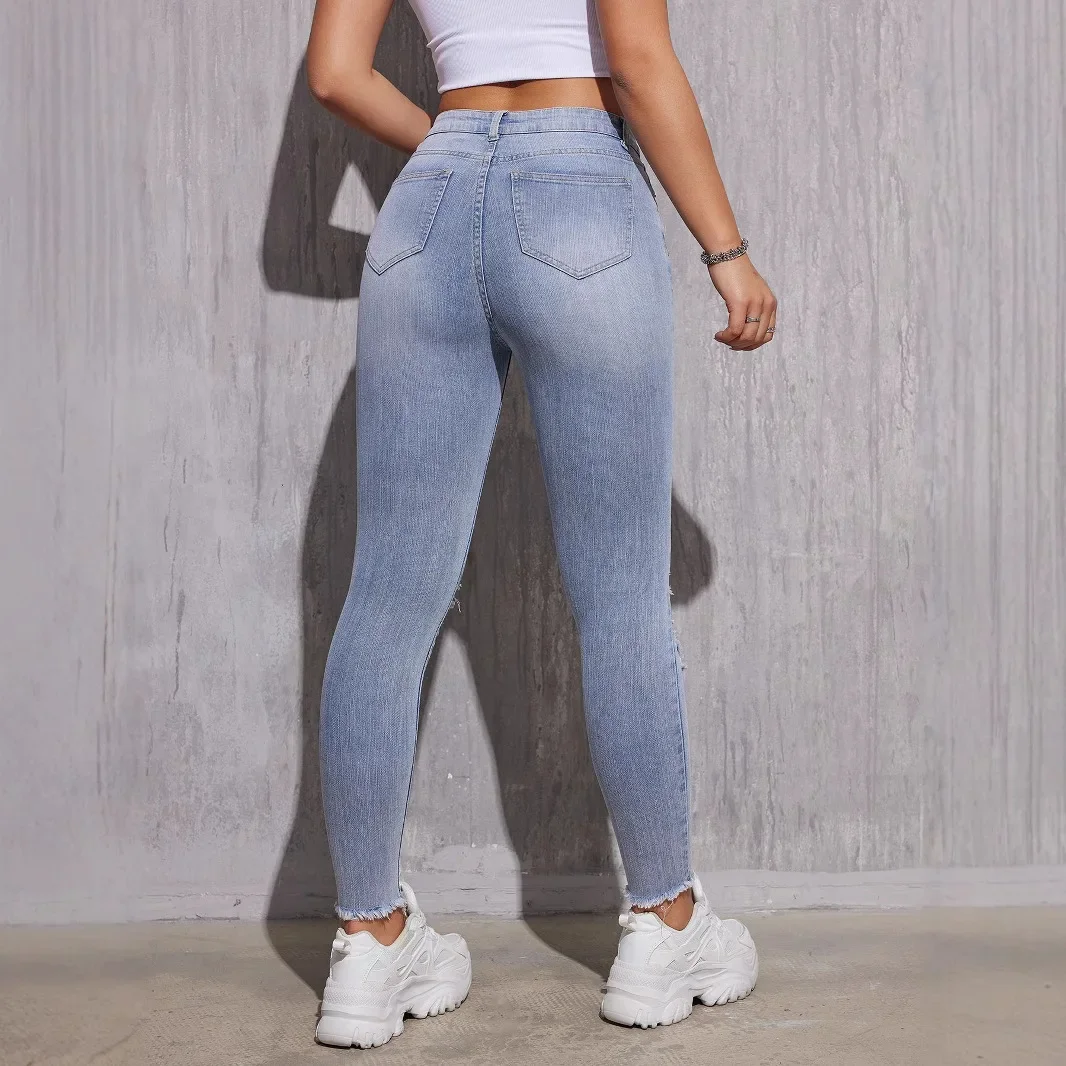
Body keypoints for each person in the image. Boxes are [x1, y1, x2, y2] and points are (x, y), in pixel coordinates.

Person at [304, 0, 775, 1047]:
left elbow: (336, 74)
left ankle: (368, 941)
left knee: (384, 601)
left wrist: (458, 150)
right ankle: (665, 925)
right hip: (579, 188)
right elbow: (638, 58)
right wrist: (727, 249)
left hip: (428, 204)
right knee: (620, 597)